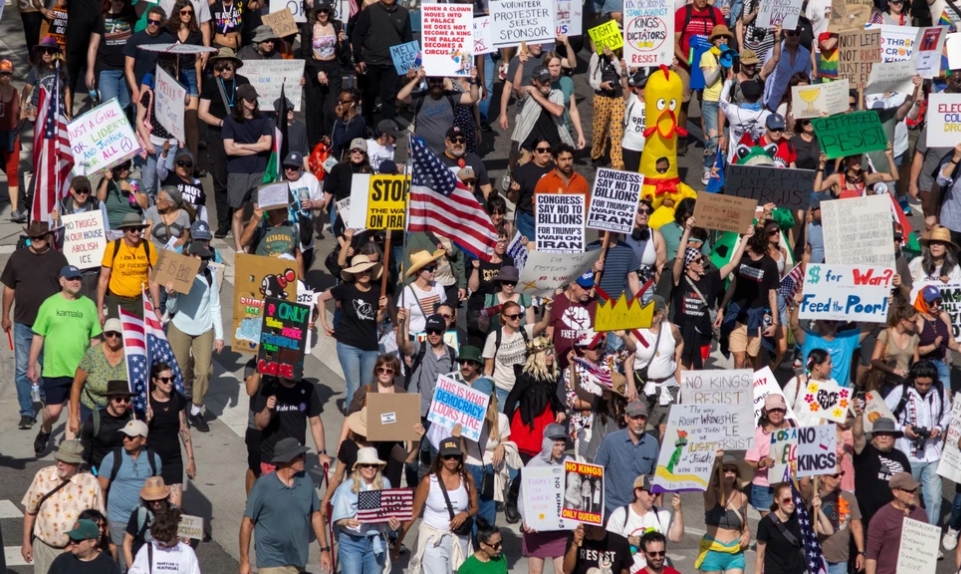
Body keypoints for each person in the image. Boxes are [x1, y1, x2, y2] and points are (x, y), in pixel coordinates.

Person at [28, 265, 102, 455]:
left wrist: (96, 366)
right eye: (71, 278)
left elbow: (95, 338)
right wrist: (31, 365)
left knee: (75, 413)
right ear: (61, 281)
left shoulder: (88, 305)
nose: (76, 281)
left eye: (78, 278)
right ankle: (45, 430)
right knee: (53, 412)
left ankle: (68, 455)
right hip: (55, 368)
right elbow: (38, 336)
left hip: (81, 371)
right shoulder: (49, 304)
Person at [2, 221, 69, 430]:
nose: (37, 240)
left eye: (41, 237)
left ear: (48, 237)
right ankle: (27, 413)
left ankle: (47, 398)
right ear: (29, 237)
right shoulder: (17, 257)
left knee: (49, 366)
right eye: (33, 237)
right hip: (23, 323)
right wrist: (5, 316)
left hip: (51, 325)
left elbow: (67, 290)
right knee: (22, 369)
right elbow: (9, 289)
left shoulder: (58, 259)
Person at [241, 438, 333, 574]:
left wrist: (324, 550)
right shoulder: (263, 486)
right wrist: (245, 561)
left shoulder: (306, 480)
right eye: (300, 455)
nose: (304, 458)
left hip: (298, 560)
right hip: (270, 561)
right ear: (287, 459)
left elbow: (316, 516)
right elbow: (247, 524)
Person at [395, 438, 479, 573]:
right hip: (433, 539)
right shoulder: (428, 481)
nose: (452, 459)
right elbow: (414, 512)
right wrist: (399, 540)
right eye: (447, 456)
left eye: (455, 456)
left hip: (459, 540)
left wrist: (465, 513)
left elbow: (475, 507)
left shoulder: (467, 478)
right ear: (440, 458)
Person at [882, 360, 950, 525]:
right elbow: (881, 415)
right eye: (920, 383)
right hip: (907, 454)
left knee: (934, 500)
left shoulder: (939, 390)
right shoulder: (901, 391)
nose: (924, 387)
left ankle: (928, 536)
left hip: (933, 453)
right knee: (904, 499)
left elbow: (947, 413)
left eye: (928, 384)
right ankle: (904, 533)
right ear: (913, 379)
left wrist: (939, 428)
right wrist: (903, 429)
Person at [21, 440, 105, 574]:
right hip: (45, 548)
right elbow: (30, 511)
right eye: (59, 459)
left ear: (76, 463)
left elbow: (99, 522)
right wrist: (26, 542)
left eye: (65, 461)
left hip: (77, 551)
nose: (60, 463)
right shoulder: (43, 476)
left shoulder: (90, 484)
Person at [317, 254, 387, 410]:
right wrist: (324, 323)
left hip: (370, 347)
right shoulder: (345, 289)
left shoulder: (377, 291)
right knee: (354, 386)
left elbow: (376, 320)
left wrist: (383, 310)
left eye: (367, 270)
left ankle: (362, 421)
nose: (364, 274)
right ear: (354, 273)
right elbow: (321, 298)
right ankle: (351, 422)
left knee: (367, 388)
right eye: (360, 271)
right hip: (348, 345)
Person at [198, 47, 250, 238]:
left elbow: (251, 106)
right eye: (220, 67)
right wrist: (222, 123)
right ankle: (223, 222)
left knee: (238, 179)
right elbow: (202, 112)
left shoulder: (243, 82)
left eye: (228, 66)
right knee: (220, 180)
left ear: (234, 65)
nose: (224, 71)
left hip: (239, 136)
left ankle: (235, 216)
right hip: (217, 136)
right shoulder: (212, 84)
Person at [98, 420, 162, 571]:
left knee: (144, 555)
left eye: (131, 437)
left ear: (143, 440)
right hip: (118, 518)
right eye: (124, 436)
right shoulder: (112, 458)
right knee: (122, 560)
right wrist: (103, 519)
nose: (125, 439)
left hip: (144, 518)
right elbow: (101, 490)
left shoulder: (154, 459)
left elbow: (157, 490)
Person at [330, 447, 401, 574]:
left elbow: (389, 512)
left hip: (377, 539)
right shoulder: (346, 487)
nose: (370, 468)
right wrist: (346, 521)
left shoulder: (385, 483)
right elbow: (337, 519)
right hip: (351, 541)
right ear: (358, 467)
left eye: (374, 465)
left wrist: (394, 523)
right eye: (366, 465)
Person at [718, 225, 779, 369]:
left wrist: (775, 323)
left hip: (756, 319)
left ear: (752, 243)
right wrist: (721, 309)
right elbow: (733, 285)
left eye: (744, 239)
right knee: (739, 360)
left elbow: (772, 294)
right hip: (737, 316)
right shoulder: (742, 258)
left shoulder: (770, 264)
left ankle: (752, 382)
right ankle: (737, 384)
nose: (741, 241)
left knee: (752, 359)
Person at [224, 83, 272, 251]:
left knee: (259, 211)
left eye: (254, 99)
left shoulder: (263, 119)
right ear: (241, 100)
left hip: (259, 170)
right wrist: (255, 147)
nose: (253, 101)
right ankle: (239, 248)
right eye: (250, 99)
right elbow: (229, 149)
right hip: (238, 171)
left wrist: (241, 146)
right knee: (238, 212)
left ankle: (249, 242)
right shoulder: (230, 121)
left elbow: (267, 145)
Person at [517, 424, 571, 573]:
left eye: (563, 444)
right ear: (547, 443)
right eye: (557, 445)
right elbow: (522, 498)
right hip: (537, 528)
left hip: (561, 528)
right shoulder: (533, 464)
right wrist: (526, 519)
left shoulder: (569, 462)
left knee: (562, 571)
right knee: (535, 571)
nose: (561, 448)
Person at [672, 0, 725, 153]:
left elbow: (723, 38)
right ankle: (681, 137)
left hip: (708, 65)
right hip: (686, 65)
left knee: (706, 103)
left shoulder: (715, 13)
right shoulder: (683, 13)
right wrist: (687, 62)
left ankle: (710, 140)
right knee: (683, 102)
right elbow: (675, 42)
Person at [350, 0, 412, 124]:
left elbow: (407, 39)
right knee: (368, 96)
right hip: (371, 62)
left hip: (393, 63)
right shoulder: (369, 11)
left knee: (389, 98)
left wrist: (410, 64)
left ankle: (387, 130)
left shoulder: (404, 13)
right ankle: (367, 127)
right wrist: (359, 59)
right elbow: (357, 35)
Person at [606, 475, 683, 573]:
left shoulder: (661, 514)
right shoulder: (621, 514)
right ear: (637, 492)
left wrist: (678, 510)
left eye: (657, 493)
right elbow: (609, 544)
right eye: (650, 492)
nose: (654, 496)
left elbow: (676, 537)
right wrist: (628, 541)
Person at [628, 296, 682, 437]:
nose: (648, 315)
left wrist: (676, 362)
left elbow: (680, 343)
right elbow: (628, 361)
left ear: (660, 314)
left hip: (667, 386)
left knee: (664, 429)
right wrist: (631, 386)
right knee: (637, 427)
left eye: (652, 312)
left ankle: (660, 452)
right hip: (643, 387)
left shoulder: (671, 329)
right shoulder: (637, 331)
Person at [483, 300, 551, 406]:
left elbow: (543, 324)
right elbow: (488, 369)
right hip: (502, 389)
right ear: (504, 317)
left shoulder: (525, 331)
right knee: (504, 416)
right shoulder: (494, 337)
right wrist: (487, 391)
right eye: (513, 316)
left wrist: (548, 307)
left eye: (520, 315)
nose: (518, 319)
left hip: (522, 387)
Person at [145, 363, 196, 506]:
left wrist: (191, 459)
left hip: (173, 460)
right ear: (155, 381)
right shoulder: (148, 402)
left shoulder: (177, 398)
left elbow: (184, 429)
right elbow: (140, 437)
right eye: (165, 379)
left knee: (175, 509)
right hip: (152, 461)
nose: (170, 383)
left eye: (172, 378)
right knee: (156, 507)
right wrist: (147, 420)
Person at [97, 213, 161, 323]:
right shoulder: (113, 247)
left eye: (139, 229)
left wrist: (157, 308)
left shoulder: (148, 246)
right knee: (116, 332)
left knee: (139, 333)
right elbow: (103, 279)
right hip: (117, 301)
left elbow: (153, 281)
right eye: (132, 230)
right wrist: (100, 310)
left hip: (140, 301)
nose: (136, 233)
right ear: (124, 231)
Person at [300, 0, 348, 147]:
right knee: (314, 110)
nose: (322, 14)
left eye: (325, 11)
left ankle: (330, 140)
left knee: (331, 108)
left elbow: (344, 56)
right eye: (319, 11)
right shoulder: (308, 27)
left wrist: (342, 43)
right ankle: (314, 145)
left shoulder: (337, 25)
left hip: (333, 68)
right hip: (314, 67)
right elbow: (305, 54)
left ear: (329, 11)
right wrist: (318, 71)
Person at [756, 482, 832, 574]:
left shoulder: (801, 517)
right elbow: (760, 555)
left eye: (794, 499)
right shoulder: (766, 523)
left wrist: (818, 509)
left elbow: (828, 531)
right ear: (776, 500)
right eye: (786, 500)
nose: (791, 503)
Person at [398, 71, 479, 157]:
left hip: (446, 153)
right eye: (433, 80)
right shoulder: (419, 97)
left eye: (440, 80)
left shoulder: (450, 96)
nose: (437, 83)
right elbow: (400, 97)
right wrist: (417, 78)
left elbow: (472, 98)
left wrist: (473, 80)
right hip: (423, 152)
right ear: (427, 81)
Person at [695, 454, 752, 573]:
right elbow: (706, 485)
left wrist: (747, 534)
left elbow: (745, 525)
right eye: (724, 469)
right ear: (717, 473)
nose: (729, 472)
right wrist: (716, 460)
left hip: (735, 553)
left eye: (733, 470)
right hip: (713, 551)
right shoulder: (711, 496)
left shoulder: (743, 497)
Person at [852, 414, 912, 527]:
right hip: (867, 518)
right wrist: (859, 415)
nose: (883, 437)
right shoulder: (865, 451)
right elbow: (857, 436)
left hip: (894, 519)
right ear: (874, 436)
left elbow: (910, 488)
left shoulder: (901, 457)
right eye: (880, 434)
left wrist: (914, 515)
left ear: (894, 437)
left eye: (888, 434)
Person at [864, 473, 928, 574]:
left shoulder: (921, 515)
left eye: (914, 489)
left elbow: (926, 549)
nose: (913, 493)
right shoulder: (881, 517)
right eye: (909, 490)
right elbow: (871, 554)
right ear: (895, 492)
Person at [746, 394, 796, 515]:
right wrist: (761, 463)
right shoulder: (758, 433)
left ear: (785, 410)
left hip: (789, 485)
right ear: (766, 411)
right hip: (765, 488)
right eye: (772, 409)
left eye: (779, 409)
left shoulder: (793, 425)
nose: (776, 413)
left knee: (788, 523)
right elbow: (748, 463)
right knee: (772, 524)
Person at [813, 463, 866, 574]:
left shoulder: (849, 497)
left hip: (841, 559)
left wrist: (861, 552)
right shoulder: (814, 496)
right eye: (835, 475)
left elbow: (856, 526)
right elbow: (804, 485)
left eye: (842, 473)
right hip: (819, 556)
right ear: (823, 478)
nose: (840, 477)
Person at [511, 66, 575, 155]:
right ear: (534, 81)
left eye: (548, 79)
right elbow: (516, 87)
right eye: (543, 80)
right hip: (529, 149)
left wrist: (537, 96)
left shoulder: (557, 94)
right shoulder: (528, 94)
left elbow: (558, 111)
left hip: (552, 149)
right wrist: (521, 63)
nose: (547, 83)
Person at [77, 379, 134, 470]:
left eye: (126, 400)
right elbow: (85, 450)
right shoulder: (95, 420)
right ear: (109, 399)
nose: (123, 403)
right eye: (118, 399)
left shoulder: (132, 418)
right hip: (100, 469)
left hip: (125, 469)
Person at [123, 476, 176, 566]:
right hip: (143, 563)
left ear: (165, 498)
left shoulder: (175, 512)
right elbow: (127, 542)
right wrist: (132, 569)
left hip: (167, 563)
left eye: (159, 499)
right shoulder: (139, 513)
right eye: (152, 500)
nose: (156, 503)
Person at [588, 46, 626, 170]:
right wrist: (601, 85)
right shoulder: (597, 56)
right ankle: (596, 154)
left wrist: (613, 58)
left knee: (617, 130)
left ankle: (617, 164)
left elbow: (624, 74)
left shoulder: (624, 55)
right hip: (602, 96)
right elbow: (591, 79)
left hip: (619, 97)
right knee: (600, 129)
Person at [129, 507, 200, 574]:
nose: (159, 543)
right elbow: (134, 571)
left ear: (175, 535)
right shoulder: (147, 549)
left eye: (163, 541)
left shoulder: (187, 552)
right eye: (157, 539)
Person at [550, 272, 598, 370]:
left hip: (586, 366)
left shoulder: (593, 304)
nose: (588, 291)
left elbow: (600, 334)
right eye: (584, 287)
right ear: (573, 284)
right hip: (560, 364)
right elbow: (550, 329)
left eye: (590, 287)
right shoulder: (557, 301)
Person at [870, 304, 920, 393]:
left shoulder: (913, 336)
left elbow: (916, 361)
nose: (916, 324)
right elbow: (874, 360)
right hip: (886, 383)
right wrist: (895, 371)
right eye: (914, 321)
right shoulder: (885, 334)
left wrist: (912, 373)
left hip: (906, 384)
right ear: (903, 320)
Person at [783, 349, 840, 426]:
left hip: (823, 432)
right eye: (829, 363)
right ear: (818, 367)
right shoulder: (796, 383)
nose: (832, 366)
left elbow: (836, 415)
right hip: (799, 431)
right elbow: (784, 411)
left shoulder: (832, 384)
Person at [47, 518, 121, 574]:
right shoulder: (62, 561)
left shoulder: (108, 565)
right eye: (71, 538)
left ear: (92, 542)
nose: (72, 542)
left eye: (77, 540)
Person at [97, 161, 149, 233]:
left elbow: (145, 204)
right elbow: (100, 200)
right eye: (118, 168)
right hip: (111, 228)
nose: (122, 170)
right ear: (113, 169)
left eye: (125, 167)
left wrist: (131, 189)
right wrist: (106, 180)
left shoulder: (137, 182)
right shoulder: (107, 182)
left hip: (132, 229)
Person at [561, 523, 633, 574]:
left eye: (591, 526)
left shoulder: (620, 543)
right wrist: (574, 544)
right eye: (585, 525)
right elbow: (567, 570)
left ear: (604, 524)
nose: (587, 529)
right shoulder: (576, 538)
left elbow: (625, 570)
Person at [624, 200, 667, 285]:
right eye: (640, 211)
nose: (644, 214)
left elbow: (661, 266)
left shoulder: (656, 236)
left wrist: (663, 288)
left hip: (647, 287)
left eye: (647, 212)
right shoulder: (622, 234)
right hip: (626, 285)